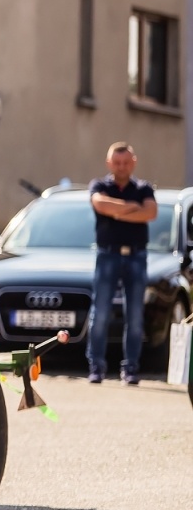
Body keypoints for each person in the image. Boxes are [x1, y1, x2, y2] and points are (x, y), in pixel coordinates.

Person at [87, 141, 157, 384]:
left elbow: (150, 212)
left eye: (126, 162)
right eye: (117, 163)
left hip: (137, 256)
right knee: (101, 312)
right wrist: (130, 208)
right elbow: (100, 204)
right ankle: (96, 367)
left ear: (133, 162)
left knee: (135, 315)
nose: (122, 167)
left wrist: (116, 212)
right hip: (108, 254)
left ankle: (131, 369)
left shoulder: (143, 188)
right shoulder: (99, 185)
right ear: (109, 163)